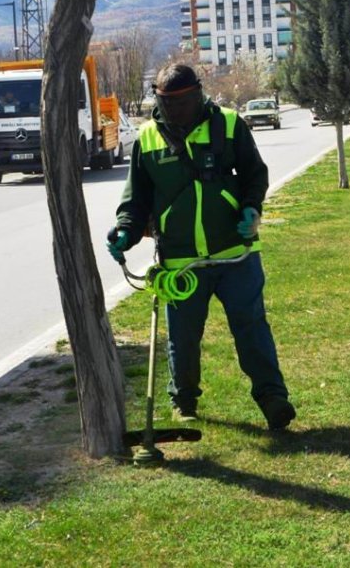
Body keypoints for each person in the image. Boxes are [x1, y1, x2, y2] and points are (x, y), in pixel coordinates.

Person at [106, 64, 296, 431]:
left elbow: (255, 173)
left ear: (198, 94)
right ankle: (185, 402)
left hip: (235, 254)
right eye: (167, 102)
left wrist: (252, 208)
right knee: (183, 337)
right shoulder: (147, 139)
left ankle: (274, 399)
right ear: (157, 99)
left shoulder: (228, 124)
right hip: (180, 262)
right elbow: (136, 198)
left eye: (182, 101)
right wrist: (126, 231)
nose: (175, 109)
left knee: (252, 328)